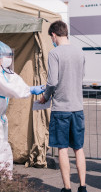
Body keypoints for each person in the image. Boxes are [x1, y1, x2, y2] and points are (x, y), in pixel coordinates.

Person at [0, 41, 45, 179]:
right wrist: (30, 90)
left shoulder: (3, 72)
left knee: (4, 147)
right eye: (8, 55)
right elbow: (11, 88)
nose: (10, 58)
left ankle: (6, 178)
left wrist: (32, 87)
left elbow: (15, 80)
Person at [39, 20, 87, 192]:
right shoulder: (80, 52)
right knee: (78, 148)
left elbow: (52, 81)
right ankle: (82, 186)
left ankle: (67, 188)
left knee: (62, 149)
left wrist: (45, 96)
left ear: (53, 35)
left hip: (61, 108)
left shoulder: (54, 53)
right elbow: (81, 75)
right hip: (78, 107)